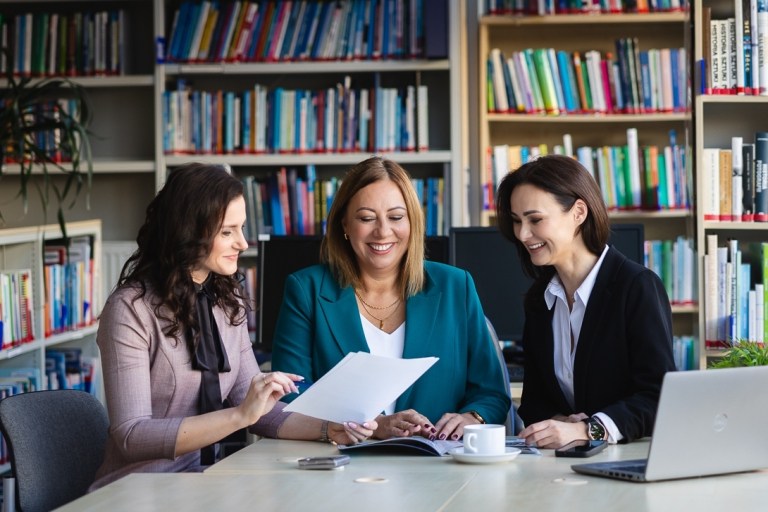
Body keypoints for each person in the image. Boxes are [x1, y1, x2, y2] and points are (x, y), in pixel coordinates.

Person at [91, 163, 375, 491]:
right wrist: (239, 416)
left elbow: (260, 410)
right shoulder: (129, 310)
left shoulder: (226, 301)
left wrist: (329, 429)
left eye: (241, 228)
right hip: (136, 492)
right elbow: (132, 436)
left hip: (205, 485)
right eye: (227, 231)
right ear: (187, 232)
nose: (243, 243)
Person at [261, 156, 511, 442]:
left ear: (412, 222)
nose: (382, 231)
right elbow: (291, 395)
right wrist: (373, 424)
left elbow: (491, 391)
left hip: (436, 465)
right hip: (339, 467)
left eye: (395, 217)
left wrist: (472, 417)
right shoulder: (305, 289)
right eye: (366, 218)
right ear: (344, 223)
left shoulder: (456, 286)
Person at [494, 155, 676, 449]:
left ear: (579, 212)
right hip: (565, 463)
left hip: (631, 460)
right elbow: (533, 402)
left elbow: (658, 396)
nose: (522, 234)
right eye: (517, 221)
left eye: (535, 219)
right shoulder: (541, 301)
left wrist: (588, 430)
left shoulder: (636, 286)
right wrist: (560, 424)